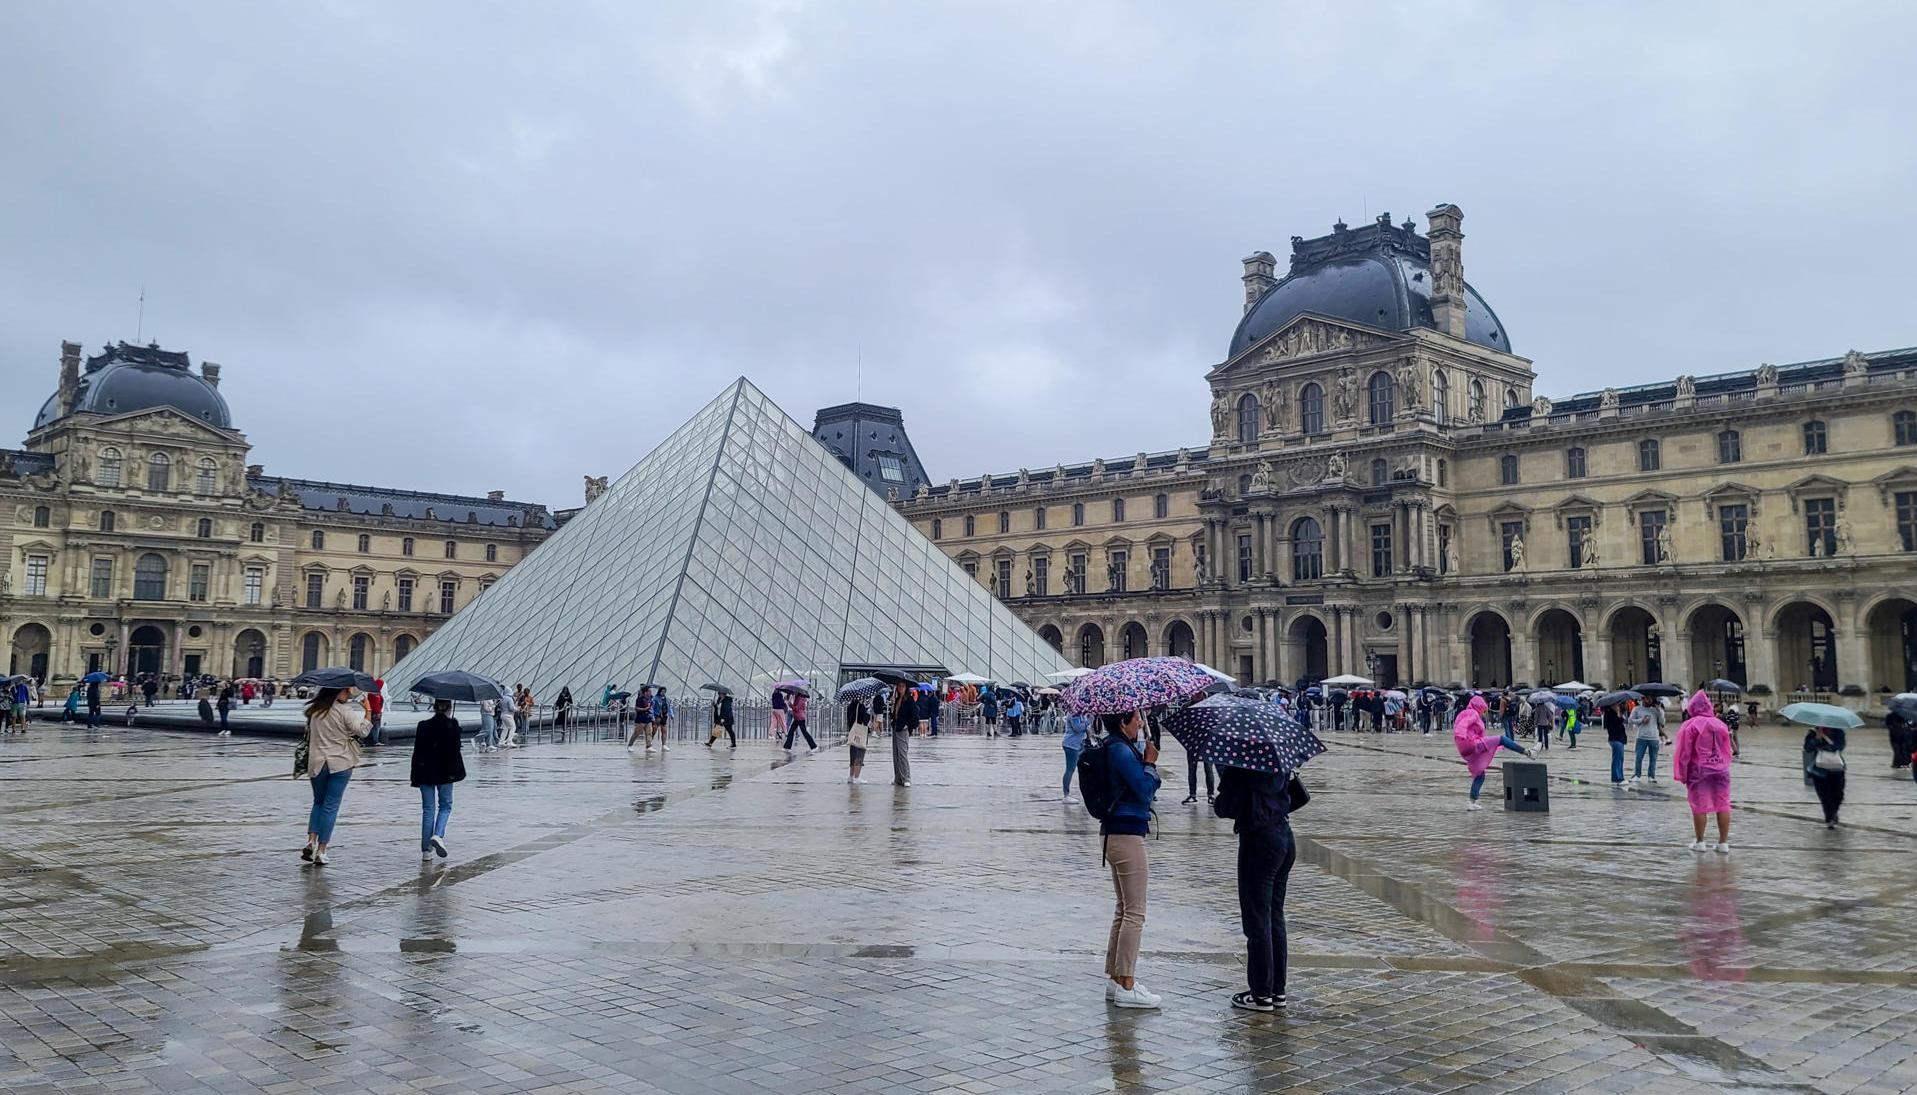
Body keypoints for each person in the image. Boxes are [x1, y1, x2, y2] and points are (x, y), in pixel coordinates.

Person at [1212, 764, 1295, 1012]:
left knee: (1257, 919)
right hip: (1284, 837)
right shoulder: (1278, 761)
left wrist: (1225, 778)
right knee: (1274, 916)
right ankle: (1276, 990)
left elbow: (1225, 807)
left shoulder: (1241, 766)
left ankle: (1261, 993)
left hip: (1259, 841)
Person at [1100, 709, 1162, 1009]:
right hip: (1126, 835)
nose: (1140, 721)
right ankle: (1127, 982)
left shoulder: (1115, 747)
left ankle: (1115, 979)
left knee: (1123, 909)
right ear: (1123, 723)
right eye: (1136, 717)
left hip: (1114, 834)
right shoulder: (1121, 752)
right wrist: (1150, 764)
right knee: (1135, 912)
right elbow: (1143, 791)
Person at [301, 687, 370, 866]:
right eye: (347, 691)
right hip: (340, 763)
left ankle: (311, 841)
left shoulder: (314, 711)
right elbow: (363, 731)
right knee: (331, 806)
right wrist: (368, 710)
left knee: (318, 802)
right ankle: (322, 851)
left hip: (317, 763)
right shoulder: (345, 711)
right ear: (337, 692)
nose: (349, 694)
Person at [1672, 691, 1733, 851]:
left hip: (1699, 770)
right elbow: (1728, 749)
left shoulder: (1691, 725)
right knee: (1723, 804)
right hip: (1721, 769)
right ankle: (1723, 843)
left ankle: (1700, 842)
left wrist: (1683, 773)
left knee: (1699, 805)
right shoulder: (1720, 724)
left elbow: (1684, 753)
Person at [1453, 694, 1533, 810]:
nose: (1483, 712)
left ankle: (1472, 802)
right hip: (1471, 743)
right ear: (1478, 706)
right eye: (1482, 709)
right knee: (1501, 739)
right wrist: (1460, 734)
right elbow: (1463, 724)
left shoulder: (1466, 713)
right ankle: (1527, 752)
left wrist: (1494, 747)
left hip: (1466, 748)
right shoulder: (1472, 713)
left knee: (1480, 775)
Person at [410, 698, 467, 861]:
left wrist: (414, 777)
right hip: (446, 774)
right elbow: (456, 749)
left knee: (428, 810)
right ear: (449, 708)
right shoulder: (453, 725)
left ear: (434, 708)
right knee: (445, 805)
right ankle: (438, 834)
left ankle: (426, 851)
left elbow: (417, 752)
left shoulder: (422, 725)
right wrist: (455, 728)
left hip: (425, 773)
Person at [1805, 724, 1848, 828]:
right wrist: (1816, 739)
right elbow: (1807, 748)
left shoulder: (1838, 731)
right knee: (1825, 796)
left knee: (1838, 795)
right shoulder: (1813, 731)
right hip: (1819, 769)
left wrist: (1825, 746)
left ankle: (1833, 812)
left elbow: (1840, 746)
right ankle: (1830, 818)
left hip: (1836, 768)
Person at [1627, 698, 1668, 783]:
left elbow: (1662, 722)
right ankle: (1637, 775)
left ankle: (1651, 776)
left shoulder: (1655, 710)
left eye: (1650, 698)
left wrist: (1659, 710)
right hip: (1641, 737)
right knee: (1639, 757)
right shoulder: (1637, 709)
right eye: (1647, 698)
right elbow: (1630, 720)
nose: (1649, 700)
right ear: (1642, 699)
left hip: (1654, 738)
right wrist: (1642, 720)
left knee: (1653, 758)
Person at [1062, 710, 1090, 801]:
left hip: (1080, 744)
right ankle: (1066, 795)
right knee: (1070, 769)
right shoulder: (1073, 714)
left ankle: (1085, 791)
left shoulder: (1082, 714)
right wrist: (1089, 720)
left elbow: (1085, 729)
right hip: (1071, 745)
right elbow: (1077, 728)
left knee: (1083, 768)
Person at [891, 687, 915, 786]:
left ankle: (906, 778)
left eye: (902, 686)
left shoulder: (909, 699)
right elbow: (894, 714)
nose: (900, 688)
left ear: (906, 688)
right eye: (899, 686)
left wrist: (909, 726)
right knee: (896, 754)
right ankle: (898, 778)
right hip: (896, 726)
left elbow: (914, 714)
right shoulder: (897, 699)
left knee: (902, 753)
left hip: (903, 728)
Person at [1601, 701, 1630, 785]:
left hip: (1618, 739)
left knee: (1620, 759)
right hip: (1616, 738)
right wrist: (1619, 717)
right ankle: (1617, 778)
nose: (1618, 706)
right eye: (1616, 704)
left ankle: (1620, 777)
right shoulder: (1610, 714)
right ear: (1612, 705)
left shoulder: (1612, 713)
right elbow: (1615, 726)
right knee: (1617, 759)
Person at [845, 699, 870, 783]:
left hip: (853, 732)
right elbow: (865, 720)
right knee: (859, 754)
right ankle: (857, 776)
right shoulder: (861, 706)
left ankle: (851, 776)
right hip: (860, 733)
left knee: (852, 754)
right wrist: (868, 713)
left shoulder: (851, 706)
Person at [627, 686, 653, 751]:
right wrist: (644, 709)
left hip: (648, 718)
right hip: (641, 719)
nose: (650, 692)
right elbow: (636, 708)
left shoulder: (650, 699)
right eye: (649, 691)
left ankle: (648, 746)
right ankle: (630, 745)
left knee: (649, 733)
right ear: (645, 692)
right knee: (637, 733)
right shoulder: (640, 699)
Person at [365, 680, 386, 746]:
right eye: (381, 685)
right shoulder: (373, 693)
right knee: (375, 727)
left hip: (376, 712)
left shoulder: (376, 693)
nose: (382, 686)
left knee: (375, 726)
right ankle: (375, 741)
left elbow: (380, 702)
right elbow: (374, 704)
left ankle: (373, 740)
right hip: (375, 713)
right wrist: (377, 712)